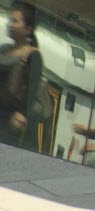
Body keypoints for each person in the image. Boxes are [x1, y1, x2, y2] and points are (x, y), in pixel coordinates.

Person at [0, 1, 42, 149]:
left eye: (15, 21)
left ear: (28, 29)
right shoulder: (4, 49)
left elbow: (31, 91)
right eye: (10, 19)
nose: (10, 24)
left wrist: (21, 115)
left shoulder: (32, 56)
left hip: (9, 125)